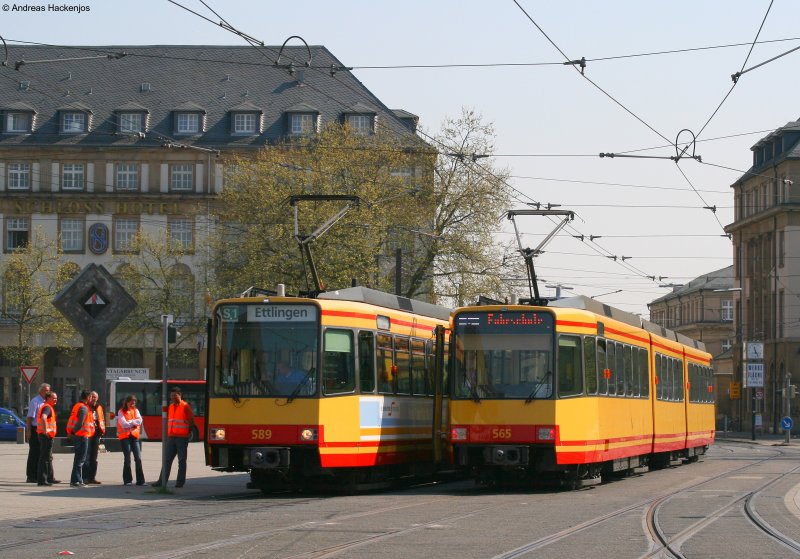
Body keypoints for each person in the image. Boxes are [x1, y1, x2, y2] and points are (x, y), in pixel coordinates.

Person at [151, 388, 194, 488]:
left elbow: (191, 420)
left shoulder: (185, 406)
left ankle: (180, 482)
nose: (173, 397)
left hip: (182, 438)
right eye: (171, 396)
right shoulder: (170, 406)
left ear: (180, 395)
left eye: (175, 395)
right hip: (171, 437)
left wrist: (188, 432)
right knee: (167, 460)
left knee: (182, 460)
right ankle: (162, 481)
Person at [66, 390, 95, 487]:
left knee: (77, 459)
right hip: (82, 436)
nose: (92, 399)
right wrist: (74, 432)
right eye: (91, 397)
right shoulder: (83, 408)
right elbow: (80, 423)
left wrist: (72, 433)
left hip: (78, 435)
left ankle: (75, 480)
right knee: (80, 460)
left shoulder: (77, 405)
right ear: (87, 397)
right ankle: (76, 481)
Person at [25, 383, 51, 483]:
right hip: (35, 429)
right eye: (46, 390)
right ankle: (31, 476)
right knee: (34, 453)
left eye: (49, 390)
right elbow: (29, 417)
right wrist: (29, 431)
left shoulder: (46, 402)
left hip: (42, 431)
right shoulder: (35, 401)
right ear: (41, 391)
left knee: (41, 454)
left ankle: (38, 475)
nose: (47, 392)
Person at [117, 394, 145, 486]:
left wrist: (130, 422)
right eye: (131, 403)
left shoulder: (136, 410)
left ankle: (140, 481)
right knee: (127, 458)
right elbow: (124, 424)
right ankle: (127, 480)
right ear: (127, 402)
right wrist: (133, 423)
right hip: (125, 437)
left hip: (134, 437)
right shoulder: (121, 412)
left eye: (134, 403)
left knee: (138, 458)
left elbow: (140, 421)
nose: (133, 405)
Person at [82, 390, 105, 485]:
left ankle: (92, 477)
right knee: (86, 457)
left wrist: (102, 432)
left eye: (95, 397)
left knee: (94, 457)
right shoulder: (86, 407)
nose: (94, 398)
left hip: (97, 434)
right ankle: (85, 478)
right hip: (88, 434)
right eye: (92, 397)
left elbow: (102, 419)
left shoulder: (99, 407)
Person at [36, 391, 59, 486]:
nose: (55, 400)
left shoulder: (48, 407)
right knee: (44, 458)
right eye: (54, 398)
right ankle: (42, 480)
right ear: (48, 398)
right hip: (46, 436)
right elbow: (43, 417)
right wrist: (46, 430)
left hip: (47, 435)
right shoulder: (47, 407)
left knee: (48, 457)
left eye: (56, 398)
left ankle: (50, 478)